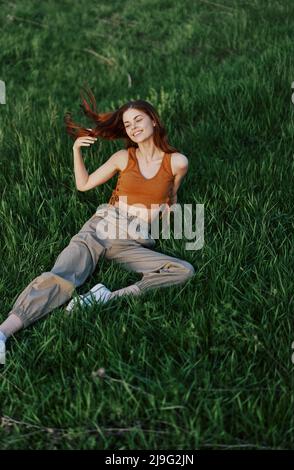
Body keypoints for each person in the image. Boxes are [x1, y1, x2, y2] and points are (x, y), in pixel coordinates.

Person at [0, 87, 195, 365]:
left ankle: (104, 297)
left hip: (134, 240)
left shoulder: (178, 163)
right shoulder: (123, 158)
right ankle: (3, 333)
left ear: (153, 119)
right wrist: (76, 150)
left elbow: (170, 197)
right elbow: (84, 184)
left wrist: (166, 217)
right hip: (104, 226)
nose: (133, 128)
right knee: (63, 274)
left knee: (182, 270)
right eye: (128, 125)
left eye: (138, 120)